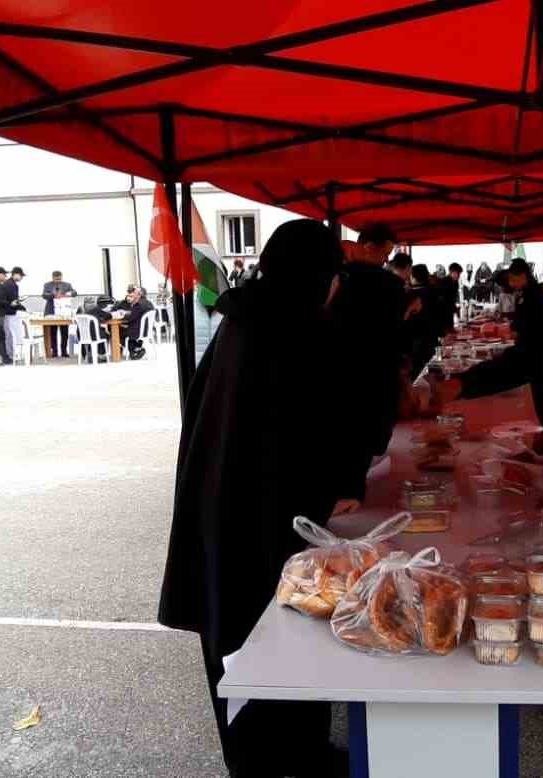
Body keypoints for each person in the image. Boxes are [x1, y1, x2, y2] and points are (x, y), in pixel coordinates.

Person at [158, 219, 351, 778]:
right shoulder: (294, 327)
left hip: (227, 511)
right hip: (266, 516)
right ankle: (279, 758)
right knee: (273, 637)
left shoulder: (245, 319)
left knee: (248, 640)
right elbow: (311, 434)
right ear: (315, 274)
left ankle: (282, 753)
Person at [436, 255, 543, 423]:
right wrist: (464, 381)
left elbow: (525, 358)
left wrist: (465, 383)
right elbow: (523, 354)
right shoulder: (541, 304)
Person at [329, 222, 408, 513]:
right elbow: (394, 336)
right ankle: (350, 494)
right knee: (360, 443)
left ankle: (346, 494)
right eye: (384, 253)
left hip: (337, 377)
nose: (386, 260)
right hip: (372, 377)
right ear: (369, 247)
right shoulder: (389, 286)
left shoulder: (339, 279)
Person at [41, 271, 76, 357]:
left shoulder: (67, 285)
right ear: (52, 278)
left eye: (59, 279)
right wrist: (53, 295)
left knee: (64, 331)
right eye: (56, 279)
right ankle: (54, 351)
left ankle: (64, 351)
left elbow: (74, 293)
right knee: (53, 332)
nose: (58, 280)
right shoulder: (47, 285)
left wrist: (67, 294)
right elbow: (44, 295)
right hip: (51, 311)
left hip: (64, 311)